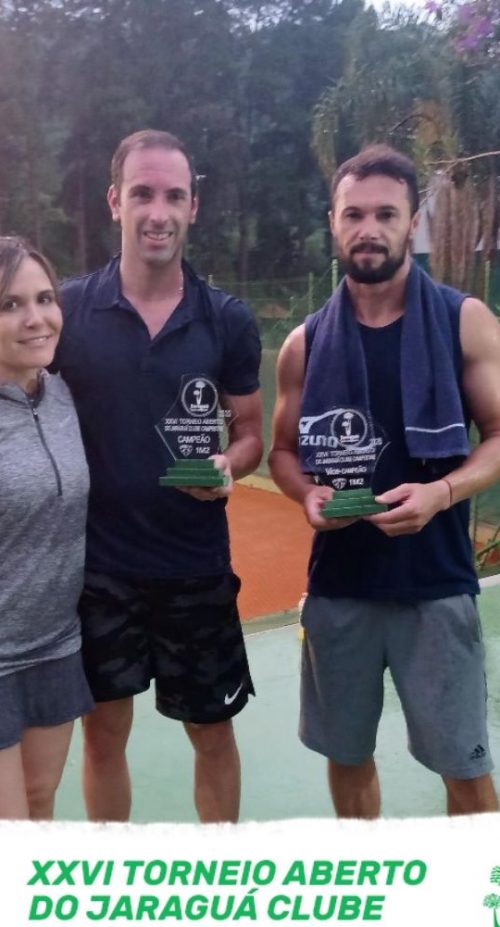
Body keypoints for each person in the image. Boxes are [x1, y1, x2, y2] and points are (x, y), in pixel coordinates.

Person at [269, 144, 500, 818]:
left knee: (464, 769)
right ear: (333, 223)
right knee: (347, 759)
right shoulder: (305, 344)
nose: (368, 228)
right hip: (340, 587)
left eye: (385, 214)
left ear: (412, 222)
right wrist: (306, 494)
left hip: (436, 585)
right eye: (354, 214)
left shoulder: (463, 321)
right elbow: (282, 452)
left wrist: (443, 493)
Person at [54, 129, 262, 823]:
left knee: (213, 733)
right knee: (104, 735)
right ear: (115, 201)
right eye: (143, 194)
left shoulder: (226, 320)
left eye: (174, 196)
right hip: (98, 569)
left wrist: (229, 465)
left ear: (193, 207)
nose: (158, 212)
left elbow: (251, 433)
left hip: (195, 567)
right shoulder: (69, 312)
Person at [0, 236, 93, 820]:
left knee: (40, 802)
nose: (35, 318)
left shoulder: (61, 396)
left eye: (44, 298)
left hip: (56, 641)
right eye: (10, 304)